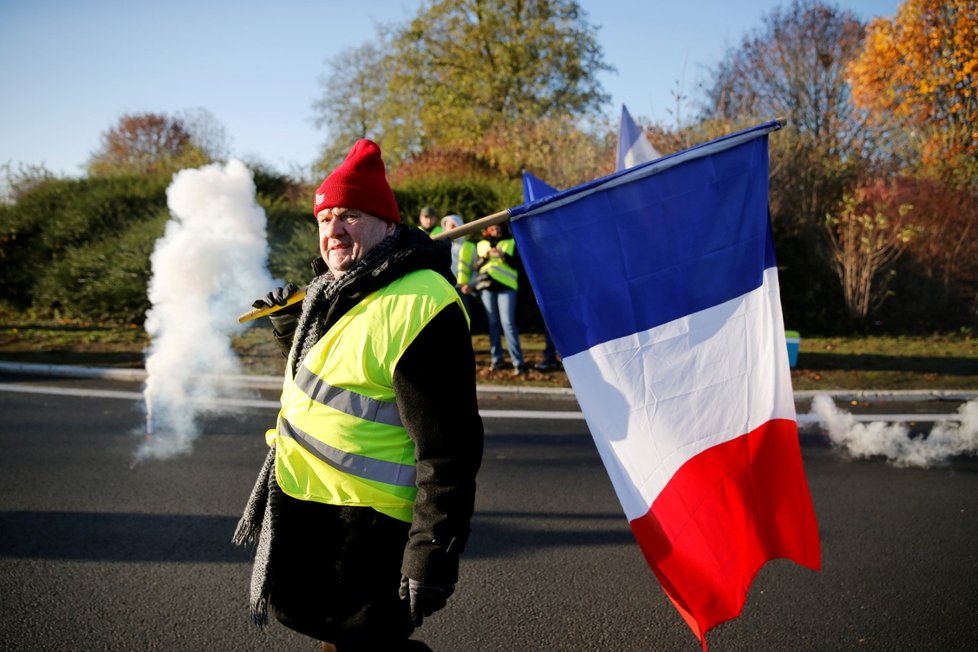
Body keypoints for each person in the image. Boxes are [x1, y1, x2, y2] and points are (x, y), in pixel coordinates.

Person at [234, 139, 484, 652]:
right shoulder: (342, 289)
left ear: (389, 226)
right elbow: (336, 382)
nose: (333, 230)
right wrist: (291, 329)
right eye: (325, 219)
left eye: (350, 216)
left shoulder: (420, 304)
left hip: (372, 530)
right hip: (319, 512)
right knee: (336, 636)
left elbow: (450, 449)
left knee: (368, 642)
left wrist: (430, 552)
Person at [474, 222, 525, 375]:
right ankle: (497, 360)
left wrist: (503, 256)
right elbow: (475, 266)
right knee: (493, 324)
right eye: (493, 228)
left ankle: (518, 363)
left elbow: (518, 264)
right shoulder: (481, 244)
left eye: (498, 228)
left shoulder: (510, 242)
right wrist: (487, 256)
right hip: (487, 289)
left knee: (508, 323)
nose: (496, 231)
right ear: (487, 230)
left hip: (507, 288)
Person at [439, 214, 476, 318]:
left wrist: (470, 285)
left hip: (463, 290)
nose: (450, 229)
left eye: (453, 225)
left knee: (464, 321)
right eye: (448, 226)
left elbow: (475, 269)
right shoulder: (439, 246)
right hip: (444, 290)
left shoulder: (470, 247)